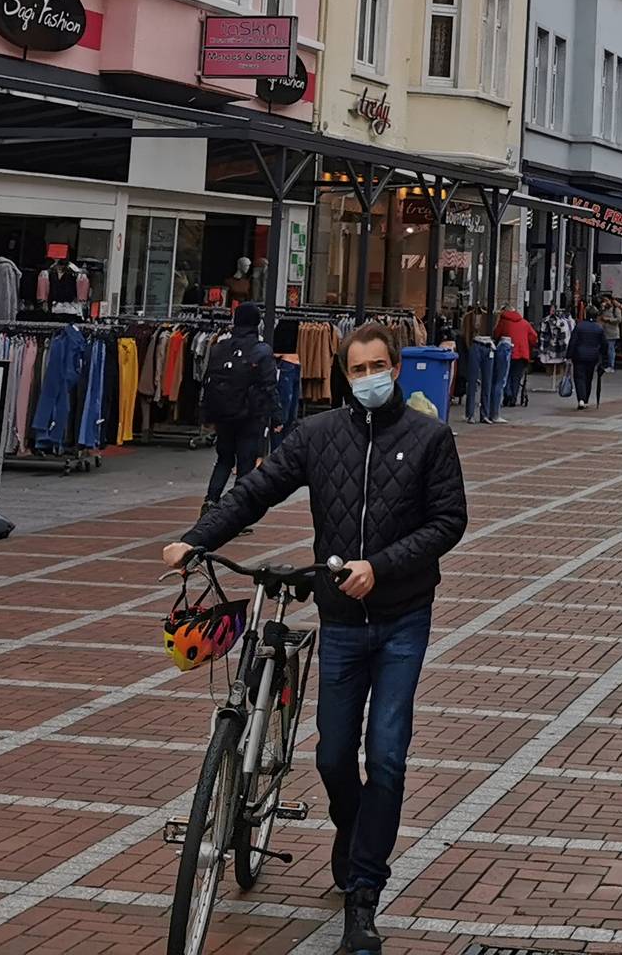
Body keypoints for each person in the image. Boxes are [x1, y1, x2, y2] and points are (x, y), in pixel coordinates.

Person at [162, 326, 465, 954]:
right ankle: (354, 832)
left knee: (385, 755)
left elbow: (448, 521)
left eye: (380, 365)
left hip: (404, 616)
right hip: (344, 622)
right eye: (359, 369)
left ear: (397, 367)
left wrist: (380, 566)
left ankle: (362, 896)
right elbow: (255, 492)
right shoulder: (318, 437)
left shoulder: (429, 438)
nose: (370, 377)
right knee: (331, 757)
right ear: (343, 376)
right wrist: (200, 539)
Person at [197, 303, 282, 512]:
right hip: (250, 415)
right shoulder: (261, 350)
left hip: (223, 413)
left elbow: (207, 379)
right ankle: (236, 511)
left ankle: (211, 500)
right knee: (245, 463)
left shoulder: (219, 348)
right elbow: (270, 386)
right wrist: (277, 416)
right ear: (257, 323)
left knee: (224, 459)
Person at [568, 302, 612, 409]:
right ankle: (586, 399)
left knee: (579, 377)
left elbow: (573, 342)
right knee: (588, 377)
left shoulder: (579, 326)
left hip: (579, 356)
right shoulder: (599, 328)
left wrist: (569, 355)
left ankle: (581, 399)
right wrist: (605, 360)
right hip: (593, 357)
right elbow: (604, 344)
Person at [498, 308, 536, 410]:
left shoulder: (503, 322)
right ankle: (513, 398)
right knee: (516, 377)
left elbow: (497, 334)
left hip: (507, 352)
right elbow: (534, 337)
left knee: (506, 375)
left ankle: (507, 396)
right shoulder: (525, 323)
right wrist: (528, 345)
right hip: (522, 354)